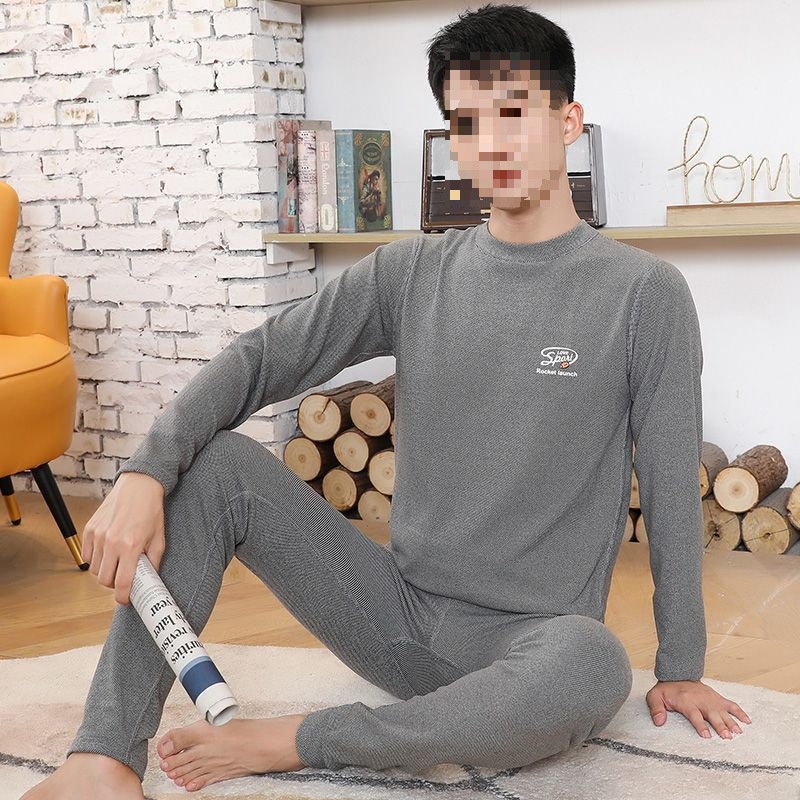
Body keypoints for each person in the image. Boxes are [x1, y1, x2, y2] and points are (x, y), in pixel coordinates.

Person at [21, 3, 751, 798]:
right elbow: (260, 358)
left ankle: (301, 741)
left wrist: (681, 666)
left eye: (514, 113)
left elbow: (672, 487)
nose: (492, 142)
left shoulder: (644, 294)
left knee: (596, 662)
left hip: (532, 647)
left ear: (568, 121)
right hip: (391, 619)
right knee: (218, 464)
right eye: (467, 123)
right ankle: (103, 758)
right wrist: (144, 473)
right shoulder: (409, 273)